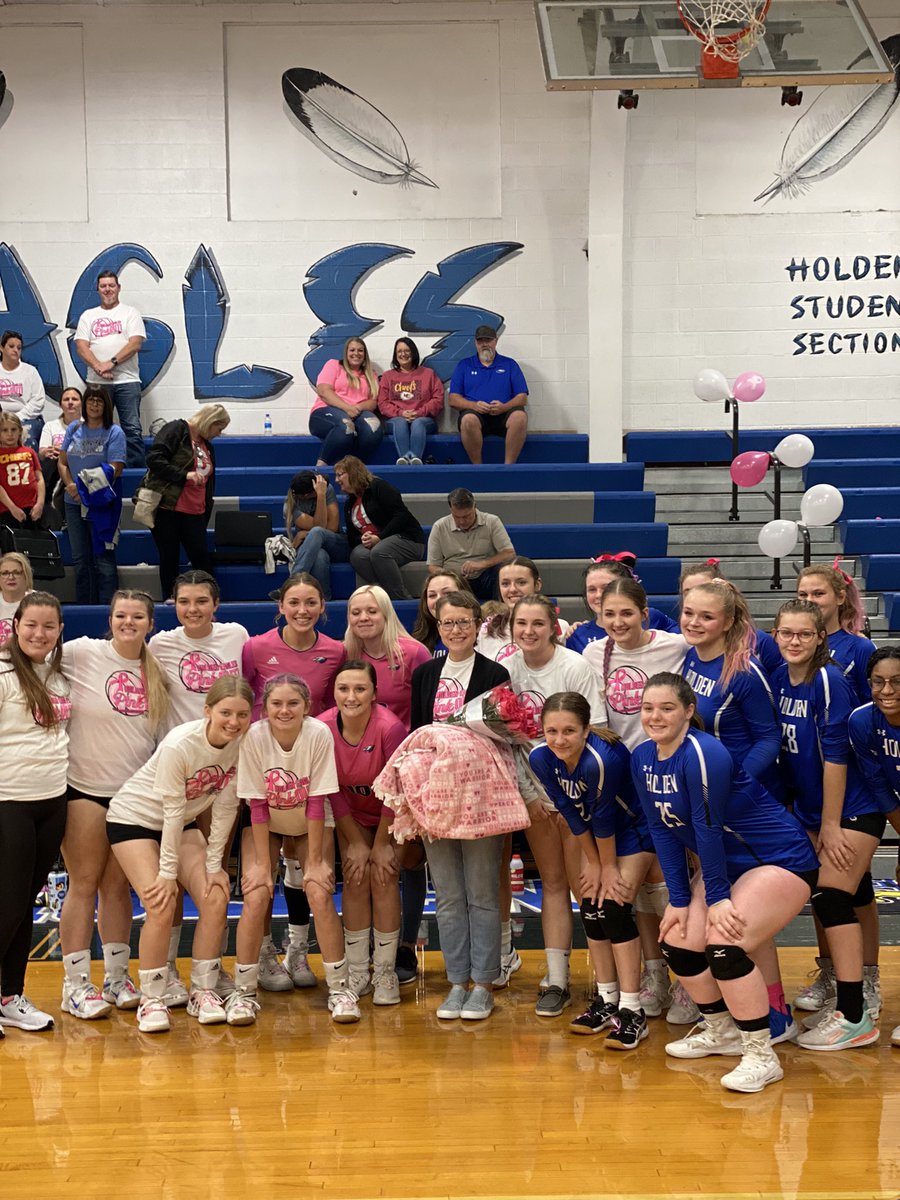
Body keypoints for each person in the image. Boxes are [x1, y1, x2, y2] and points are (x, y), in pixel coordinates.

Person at [631, 673, 819, 1094]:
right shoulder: (642, 757)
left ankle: (761, 1055)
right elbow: (661, 829)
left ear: (688, 711)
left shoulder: (704, 753)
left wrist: (716, 898)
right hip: (729, 866)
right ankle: (722, 1030)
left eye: (667, 708)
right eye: (648, 708)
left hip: (780, 859)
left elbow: (708, 828)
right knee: (678, 940)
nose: (655, 716)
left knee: (725, 945)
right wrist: (680, 899)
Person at [770, 599, 888, 1050]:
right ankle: (844, 989)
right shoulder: (779, 678)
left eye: (805, 633)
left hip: (852, 806)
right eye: (786, 633)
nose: (794, 641)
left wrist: (832, 824)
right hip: (810, 809)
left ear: (821, 637)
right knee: (850, 893)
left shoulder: (828, 680)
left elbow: (836, 757)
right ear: (775, 635)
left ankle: (856, 1015)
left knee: (831, 896)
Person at [679, 577, 792, 1039]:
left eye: (706, 616)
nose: (694, 622)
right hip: (707, 803)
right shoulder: (690, 657)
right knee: (725, 909)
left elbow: (769, 738)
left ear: (728, 622)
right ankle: (741, 1011)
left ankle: (775, 1013)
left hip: (743, 806)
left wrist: (733, 782)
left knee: (745, 915)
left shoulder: (743, 670)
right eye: (689, 612)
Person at [106, 676, 252, 1033]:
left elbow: (225, 808)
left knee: (215, 895)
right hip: (134, 819)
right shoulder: (180, 743)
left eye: (242, 714)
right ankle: (151, 998)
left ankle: (202, 990)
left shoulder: (243, 744)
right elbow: (171, 810)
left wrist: (215, 866)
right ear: (208, 711)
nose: (234, 722)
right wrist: (167, 874)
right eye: (226, 713)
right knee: (161, 901)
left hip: (182, 823)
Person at [582, 576, 691, 1025]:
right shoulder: (593, 653)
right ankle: (655, 974)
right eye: (609, 614)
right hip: (623, 784)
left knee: (671, 881)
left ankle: (688, 977)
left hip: (668, 774)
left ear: (645, 613)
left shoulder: (675, 646)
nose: (618, 621)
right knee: (641, 888)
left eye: (626, 612)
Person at [57, 590, 170, 1020]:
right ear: (110, 619)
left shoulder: (157, 670)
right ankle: (75, 985)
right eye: (121, 615)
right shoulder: (82, 653)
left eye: (137, 616)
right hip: (84, 788)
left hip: (133, 797)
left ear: (150, 623)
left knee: (117, 888)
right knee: (84, 882)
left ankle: (117, 977)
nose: (128, 622)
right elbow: (31, 658)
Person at [237, 674, 369, 1024]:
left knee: (318, 890)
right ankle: (244, 992)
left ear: (307, 707)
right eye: (276, 704)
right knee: (256, 892)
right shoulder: (254, 736)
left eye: (293, 703)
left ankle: (340, 989)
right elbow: (257, 806)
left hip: (310, 816)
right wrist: (263, 865)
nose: (285, 710)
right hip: (265, 820)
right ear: (264, 708)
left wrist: (315, 861)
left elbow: (316, 801)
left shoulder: (317, 733)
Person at [529, 693, 655, 1048]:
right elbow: (570, 812)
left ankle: (632, 1010)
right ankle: (606, 999)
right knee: (590, 909)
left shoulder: (599, 759)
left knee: (613, 907)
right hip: (599, 836)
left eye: (569, 731)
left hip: (633, 830)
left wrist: (606, 866)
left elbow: (604, 816)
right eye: (552, 731)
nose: (559, 740)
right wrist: (596, 863)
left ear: (586, 730)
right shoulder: (541, 758)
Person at [408, 591, 512, 1019]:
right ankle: (456, 983)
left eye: (464, 622)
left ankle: (483, 984)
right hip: (435, 798)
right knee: (449, 896)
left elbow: (502, 736)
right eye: (448, 623)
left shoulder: (495, 672)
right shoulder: (425, 673)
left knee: (482, 893)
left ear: (477, 625)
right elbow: (417, 736)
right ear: (438, 626)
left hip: (480, 798)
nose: (456, 630)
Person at [148, 570, 248, 1001]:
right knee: (169, 872)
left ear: (216, 604)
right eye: (184, 601)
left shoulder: (236, 636)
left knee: (214, 871)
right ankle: (168, 967)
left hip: (222, 770)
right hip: (180, 771)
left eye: (201, 601)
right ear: (173, 604)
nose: (193, 609)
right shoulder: (160, 644)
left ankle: (213, 963)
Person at [505, 593, 605, 1016]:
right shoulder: (507, 668)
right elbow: (508, 741)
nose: (528, 631)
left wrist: (571, 797)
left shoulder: (574, 667)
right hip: (534, 794)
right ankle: (557, 980)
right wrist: (531, 796)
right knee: (552, 883)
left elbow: (595, 731)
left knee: (588, 886)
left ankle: (607, 983)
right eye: (521, 623)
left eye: (537, 623)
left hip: (576, 794)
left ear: (553, 627)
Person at [0, 592, 70, 1036]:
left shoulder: (59, 674)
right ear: (15, 626)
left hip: (52, 800)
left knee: (24, 903)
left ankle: (10, 996)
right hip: (9, 800)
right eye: (31, 625)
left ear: (60, 631)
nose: (39, 634)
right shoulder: (3, 674)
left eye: (48, 626)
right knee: (7, 904)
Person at [319, 661, 408, 1003]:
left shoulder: (390, 727)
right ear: (334, 692)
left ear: (374, 693)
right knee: (356, 876)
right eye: (344, 689)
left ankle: (385, 972)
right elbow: (331, 790)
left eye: (360, 689)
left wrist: (382, 843)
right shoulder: (323, 727)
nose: (351, 696)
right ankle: (358, 972)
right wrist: (356, 841)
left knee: (384, 876)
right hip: (350, 814)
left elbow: (396, 788)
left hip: (391, 811)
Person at [849, 646, 900, 1048]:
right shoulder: (862, 721)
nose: (887, 690)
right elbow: (879, 786)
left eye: (897, 682)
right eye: (879, 682)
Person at [143, 404, 230, 602]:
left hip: (195, 510)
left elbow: (209, 481)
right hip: (168, 507)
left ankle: (207, 598)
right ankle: (172, 598)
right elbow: (154, 459)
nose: (219, 434)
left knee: (201, 558)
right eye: (219, 428)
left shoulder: (207, 445)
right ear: (211, 422)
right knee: (169, 556)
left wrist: (206, 507)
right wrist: (184, 475)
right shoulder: (177, 429)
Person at [243, 574, 345, 720]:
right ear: (281, 606)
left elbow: (332, 703)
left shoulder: (336, 652)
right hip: (264, 732)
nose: (302, 610)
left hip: (311, 733)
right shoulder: (255, 647)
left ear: (322, 606)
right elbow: (241, 696)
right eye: (294, 603)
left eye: (311, 603)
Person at [58, 384, 126, 605]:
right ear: (85, 403)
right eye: (90, 400)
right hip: (72, 502)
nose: (94, 405)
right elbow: (62, 462)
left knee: (104, 559)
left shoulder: (114, 432)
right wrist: (70, 485)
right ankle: (85, 608)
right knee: (80, 560)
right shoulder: (74, 428)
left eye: (99, 401)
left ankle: (108, 609)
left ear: (106, 405)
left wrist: (84, 489)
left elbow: (116, 468)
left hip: (101, 504)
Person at [73, 270, 147, 468]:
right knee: (95, 427)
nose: (107, 289)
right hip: (97, 382)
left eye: (111, 285)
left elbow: (135, 343)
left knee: (132, 429)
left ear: (118, 288)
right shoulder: (88, 315)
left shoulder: (130, 313)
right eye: (103, 286)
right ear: (98, 289)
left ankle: (135, 474)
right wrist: (98, 367)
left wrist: (110, 363)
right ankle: (94, 470)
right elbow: (81, 346)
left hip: (127, 381)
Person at [335, 456, 424, 601]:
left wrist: (380, 537)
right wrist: (363, 538)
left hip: (407, 538)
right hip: (375, 544)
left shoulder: (378, 487)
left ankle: (401, 599)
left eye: (340, 475)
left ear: (352, 473)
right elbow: (352, 537)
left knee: (379, 552)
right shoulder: (349, 504)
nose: (336, 480)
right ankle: (383, 594)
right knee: (357, 556)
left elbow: (401, 515)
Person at [343, 584, 431, 730]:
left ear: (386, 614)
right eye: (356, 613)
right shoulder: (344, 654)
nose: (363, 618)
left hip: (405, 740)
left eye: (372, 611)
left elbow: (432, 705)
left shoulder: (414, 653)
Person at [679, 559, 780, 676]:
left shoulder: (757, 647)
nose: (698, 596)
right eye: (688, 591)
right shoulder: (691, 652)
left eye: (707, 617)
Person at [797, 562, 876, 705]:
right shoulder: (789, 642)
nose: (809, 601)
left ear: (840, 597)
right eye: (803, 595)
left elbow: (872, 705)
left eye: (818, 594)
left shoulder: (860, 647)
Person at [448, 325, 528, 465]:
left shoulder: (509, 364)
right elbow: (453, 399)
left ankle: (508, 467)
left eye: (488, 340)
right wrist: (474, 405)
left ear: (495, 341)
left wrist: (504, 407)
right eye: (480, 341)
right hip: (476, 415)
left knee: (520, 417)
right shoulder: (464, 365)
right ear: (475, 343)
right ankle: (478, 468)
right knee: (468, 420)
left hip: (504, 415)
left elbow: (522, 397)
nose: (484, 344)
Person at [566, 556, 678, 656]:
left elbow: (684, 640)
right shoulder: (578, 636)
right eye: (592, 589)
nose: (598, 595)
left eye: (606, 588)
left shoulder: (651, 616)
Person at [427, 489, 515, 602]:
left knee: (503, 570)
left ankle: (500, 609)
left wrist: (482, 564)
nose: (462, 521)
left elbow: (509, 553)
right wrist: (451, 577)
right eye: (456, 517)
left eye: (466, 516)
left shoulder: (491, 521)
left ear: (475, 507)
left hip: (485, 577)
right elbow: (433, 566)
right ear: (450, 510)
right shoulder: (439, 527)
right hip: (455, 581)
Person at [309, 337, 383, 466]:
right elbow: (324, 391)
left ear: (365, 354)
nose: (356, 353)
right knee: (346, 426)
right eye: (352, 350)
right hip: (327, 411)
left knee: (374, 427)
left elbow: (373, 402)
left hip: (357, 412)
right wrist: (347, 408)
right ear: (346, 352)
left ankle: (354, 467)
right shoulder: (334, 365)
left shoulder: (371, 374)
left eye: (360, 350)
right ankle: (321, 467)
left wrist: (357, 408)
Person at [280, 470, 348, 600]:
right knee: (319, 556)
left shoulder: (325, 488)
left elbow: (332, 528)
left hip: (335, 542)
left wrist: (305, 533)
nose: (320, 487)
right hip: (309, 548)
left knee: (316, 532)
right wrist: (321, 496)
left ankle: (292, 582)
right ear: (306, 495)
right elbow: (321, 525)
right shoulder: (290, 505)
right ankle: (323, 600)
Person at [376, 337, 444, 465]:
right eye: (399, 351)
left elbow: (438, 399)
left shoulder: (428, 374)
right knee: (400, 423)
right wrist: (401, 413)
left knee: (418, 423)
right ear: (395, 355)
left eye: (407, 350)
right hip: (396, 420)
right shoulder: (387, 376)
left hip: (423, 419)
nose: (403, 354)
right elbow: (382, 403)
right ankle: (411, 460)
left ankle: (408, 461)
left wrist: (419, 413)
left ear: (413, 352)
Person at [39, 386, 82, 530]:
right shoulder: (51, 426)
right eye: (66, 399)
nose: (70, 402)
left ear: (81, 403)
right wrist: (48, 451)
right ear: (60, 404)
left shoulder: (88, 425)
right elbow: (41, 451)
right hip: (55, 468)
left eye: (74, 399)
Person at [0, 330, 48, 451]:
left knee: (27, 438)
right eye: (11, 346)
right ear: (1, 348)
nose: (15, 350)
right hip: (1, 418)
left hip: (26, 418)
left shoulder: (30, 371)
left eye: (19, 348)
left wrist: (17, 417)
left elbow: (38, 400)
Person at [411, 570, 474, 658]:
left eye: (448, 593)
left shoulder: (483, 636)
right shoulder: (417, 642)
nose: (439, 600)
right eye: (432, 595)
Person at [0, 413, 44, 531]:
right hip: (7, 509)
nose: (10, 434)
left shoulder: (29, 452)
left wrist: (40, 504)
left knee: (33, 541)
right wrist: (12, 508)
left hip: (32, 509)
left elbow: (39, 479)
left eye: (13, 429)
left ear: (20, 431)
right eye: (5, 430)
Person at [0, 552, 32, 644]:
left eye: (17, 573)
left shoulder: (39, 602)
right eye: (5, 573)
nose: (11, 577)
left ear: (26, 575)